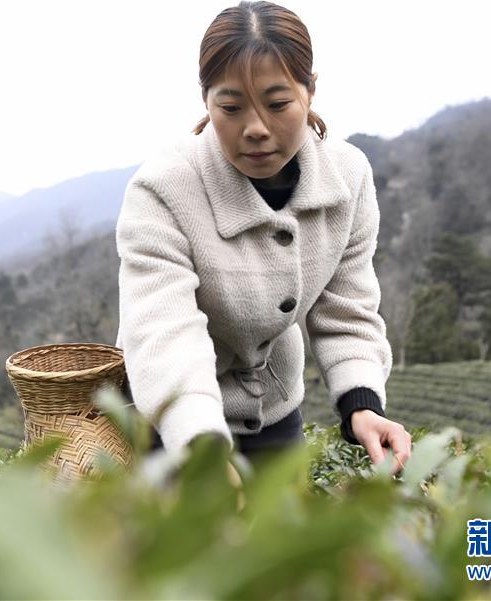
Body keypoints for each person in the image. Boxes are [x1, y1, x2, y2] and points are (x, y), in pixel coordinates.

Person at [115, 1, 411, 471]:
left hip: (274, 413)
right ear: (205, 100)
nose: (255, 129)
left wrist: (363, 405)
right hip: (170, 427)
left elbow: (346, 311)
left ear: (310, 91)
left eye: (277, 104)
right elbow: (163, 332)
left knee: (280, 539)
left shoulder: (347, 177)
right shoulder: (164, 188)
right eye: (230, 107)